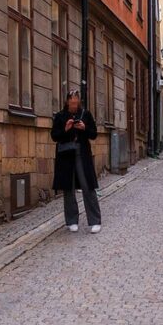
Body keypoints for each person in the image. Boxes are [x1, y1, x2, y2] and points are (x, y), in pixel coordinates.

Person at [50, 90, 102, 233]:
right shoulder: (60, 116)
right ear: (67, 102)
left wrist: (84, 128)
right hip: (66, 156)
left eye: (76, 103)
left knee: (88, 186)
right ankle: (71, 220)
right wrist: (66, 129)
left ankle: (95, 220)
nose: (74, 105)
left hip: (82, 154)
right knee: (69, 188)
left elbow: (94, 134)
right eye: (72, 103)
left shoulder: (85, 114)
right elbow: (54, 136)